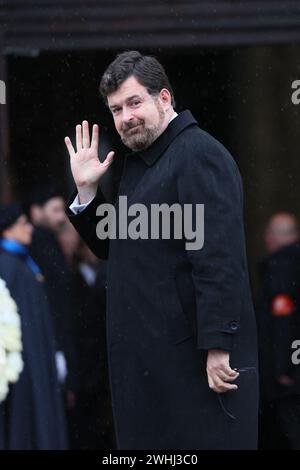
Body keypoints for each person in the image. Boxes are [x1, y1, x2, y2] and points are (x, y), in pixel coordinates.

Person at [65, 50, 258, 450]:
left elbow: (219, 259)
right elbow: (112, 246)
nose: (125, 117)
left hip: (193, 372)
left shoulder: (198, 154)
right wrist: (87, 191)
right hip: (148, 370)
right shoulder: (139, 166)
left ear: (164, 99)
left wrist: (220, 345)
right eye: (116, 109)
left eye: (134, 102)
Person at [0, 203, 67, 449]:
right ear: (7, 230)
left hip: (35, 354)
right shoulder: (8, 265)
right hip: (24, 359)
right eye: (22, 223)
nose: (29, 227)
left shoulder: (23, 261)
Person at [26, 187, 77, 404]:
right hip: (53, 338)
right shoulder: (37, 246)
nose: (61, 217)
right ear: (36, 212)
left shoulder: (50, 244)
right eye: (55, 210)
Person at [257, 212, 300, 449]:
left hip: (288, 381)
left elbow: (282, 319)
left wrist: (283, 368)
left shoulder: (282, 267)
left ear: (270, 238)